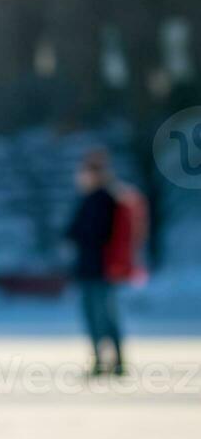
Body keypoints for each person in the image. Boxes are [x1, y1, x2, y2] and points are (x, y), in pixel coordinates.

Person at [65, 149, 141, 376]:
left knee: (104, 315)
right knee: (94, 315)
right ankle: (102, 360)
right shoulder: (89, 198)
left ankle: (115, 361)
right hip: (90, 268)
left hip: (103, 268)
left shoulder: (106, 199)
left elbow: (93, 233)